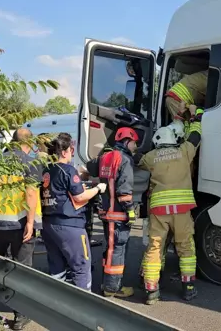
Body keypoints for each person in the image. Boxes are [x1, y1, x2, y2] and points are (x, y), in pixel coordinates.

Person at [137, 105, 203, 305]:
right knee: (186, 248)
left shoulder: (151, 157)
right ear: (174, 139)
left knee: (155, 247)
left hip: (159, 211)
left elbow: (136, 160)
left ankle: (151, 291)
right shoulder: (184, 151)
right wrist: (196, 116)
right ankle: (188, 289)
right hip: (182, 210)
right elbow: (195, 137)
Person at [0, 128, 42, 330]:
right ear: (29, 143)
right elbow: (30, 194)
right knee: (22, 270)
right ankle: (21, 315)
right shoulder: (30, 162)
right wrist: (30, 222)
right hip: (19, 224)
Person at [40, 134, 106, 291]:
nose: (72, 153)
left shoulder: (46, 170)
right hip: (70, 225)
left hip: (48, 224)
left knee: (57, 267)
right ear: (64, 152)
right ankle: (84, 305)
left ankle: (57, 300)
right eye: (71, 150)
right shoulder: (68, 170)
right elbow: (79, 196)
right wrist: (98, 189)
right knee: (81, 266)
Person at [86, 127, 140, 298]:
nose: (135, 146)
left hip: (106, 213)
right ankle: (112, 288)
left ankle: (107, 283)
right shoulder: (125, 159)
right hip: (117, 214)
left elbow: (90, 167)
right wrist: (131, 211)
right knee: (117, 249)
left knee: (110, 248)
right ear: (126, 141)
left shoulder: (105, 156)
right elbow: (124, 190)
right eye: (134, 143)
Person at [164, 58, 208, 137]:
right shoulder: (213, 78)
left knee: (183, 127)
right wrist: (194, 114)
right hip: (177, 99)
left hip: (175, 97)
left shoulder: (205, 76)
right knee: (184, 132)